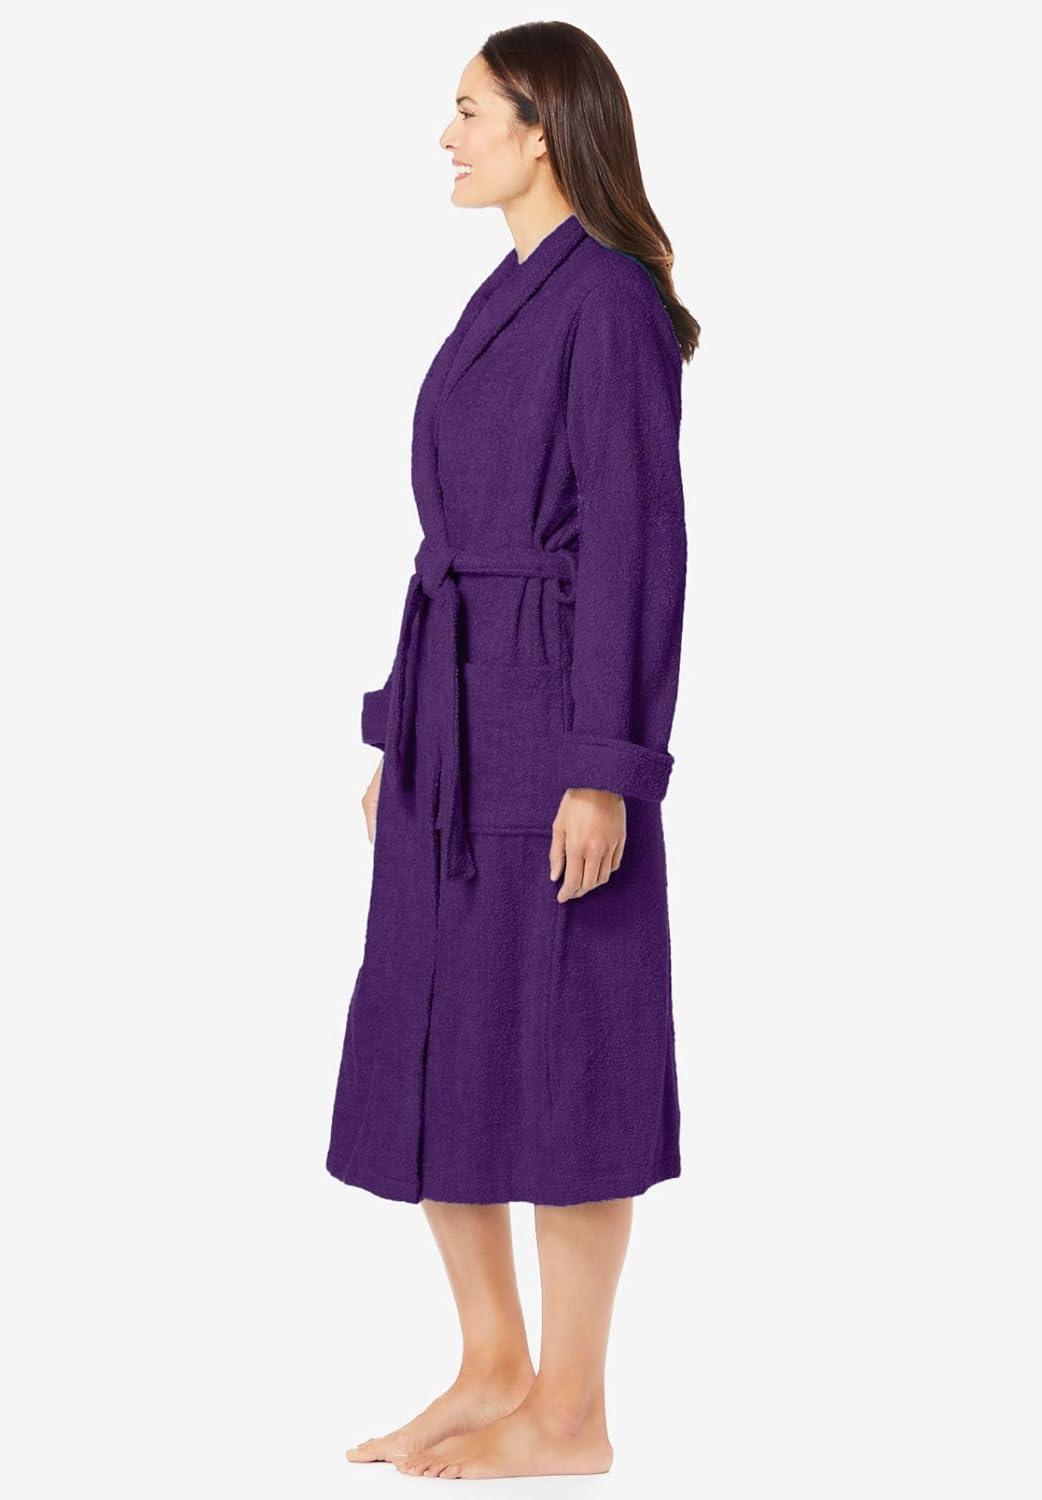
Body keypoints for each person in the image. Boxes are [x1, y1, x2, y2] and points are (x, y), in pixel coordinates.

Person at [328, 20, 700, 1481]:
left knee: (569, 1046)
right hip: (456, 720)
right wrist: (403, 731)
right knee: (437, 1029)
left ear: (543, 128)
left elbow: (636, 548)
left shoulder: (608, 300)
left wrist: (603, 762)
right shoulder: (509, 292)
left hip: (551, 723)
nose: (447, 134)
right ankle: (492, 1364)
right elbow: (457, 540)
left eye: (470, 109)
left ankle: (572, 1409)